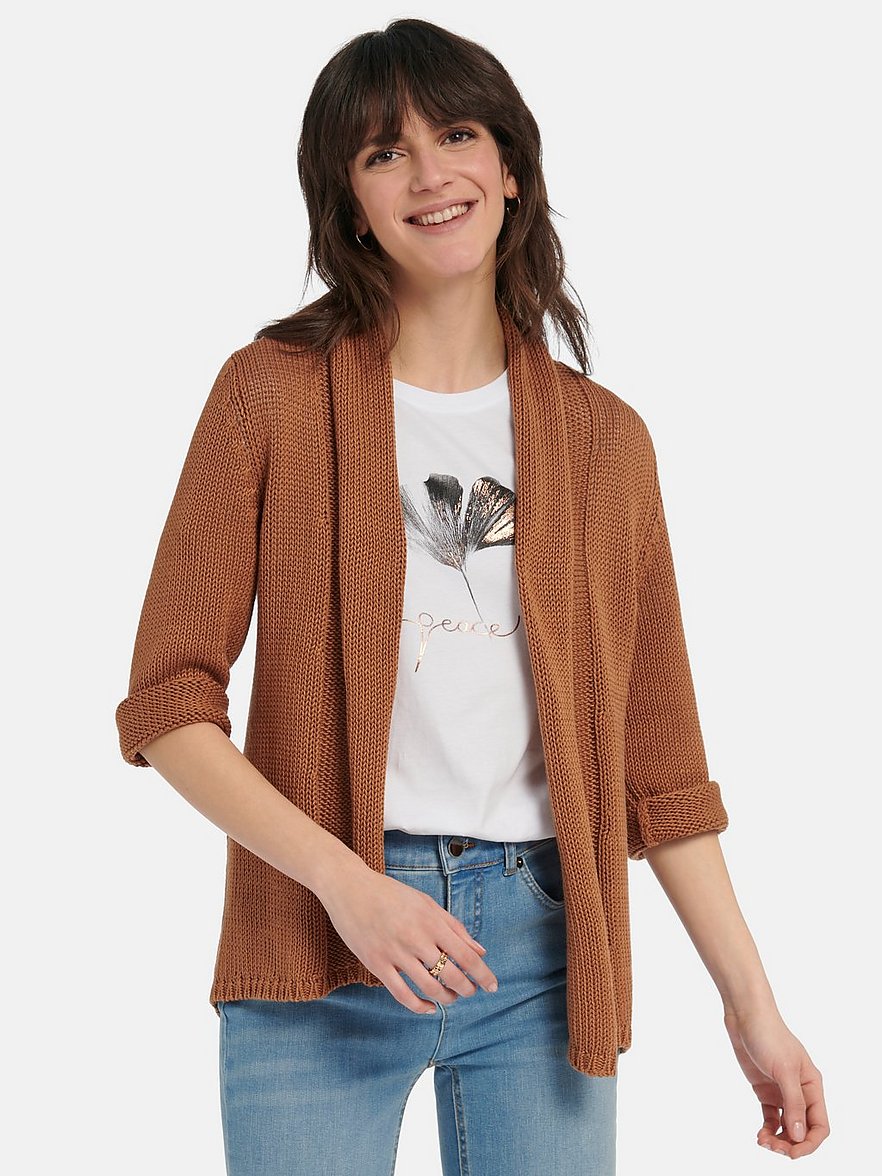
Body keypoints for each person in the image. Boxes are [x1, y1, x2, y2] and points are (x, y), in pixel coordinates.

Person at [115, 18, 830, 1175]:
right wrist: (348, 885)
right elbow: (166, 701)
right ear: (350, 203)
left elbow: (661, 771)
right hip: (318, 938)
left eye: (455, 135)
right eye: (383, 152)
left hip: (542, 951)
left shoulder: (605, 445)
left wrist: (755, 1009)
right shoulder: (269, 398)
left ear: (510, 169)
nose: (428, 173)